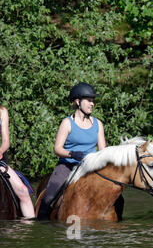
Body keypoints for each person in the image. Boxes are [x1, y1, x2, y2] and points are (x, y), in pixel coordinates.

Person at [37, 82, 106, 220]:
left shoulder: (98, 123)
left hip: (90, 167)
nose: (92, 104)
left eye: (93, 101)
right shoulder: (67, 123)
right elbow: (57, 149)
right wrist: (71, 154)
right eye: (89, 101)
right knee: (50, 196)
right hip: (67, 165)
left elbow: (102, 150)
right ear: (78, 101)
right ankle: (41, 223)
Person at [0, 104, 35, 219]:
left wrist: (0, 150)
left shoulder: (2, 111)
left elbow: (6, 141)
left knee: (23, 191)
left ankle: (28, 229)